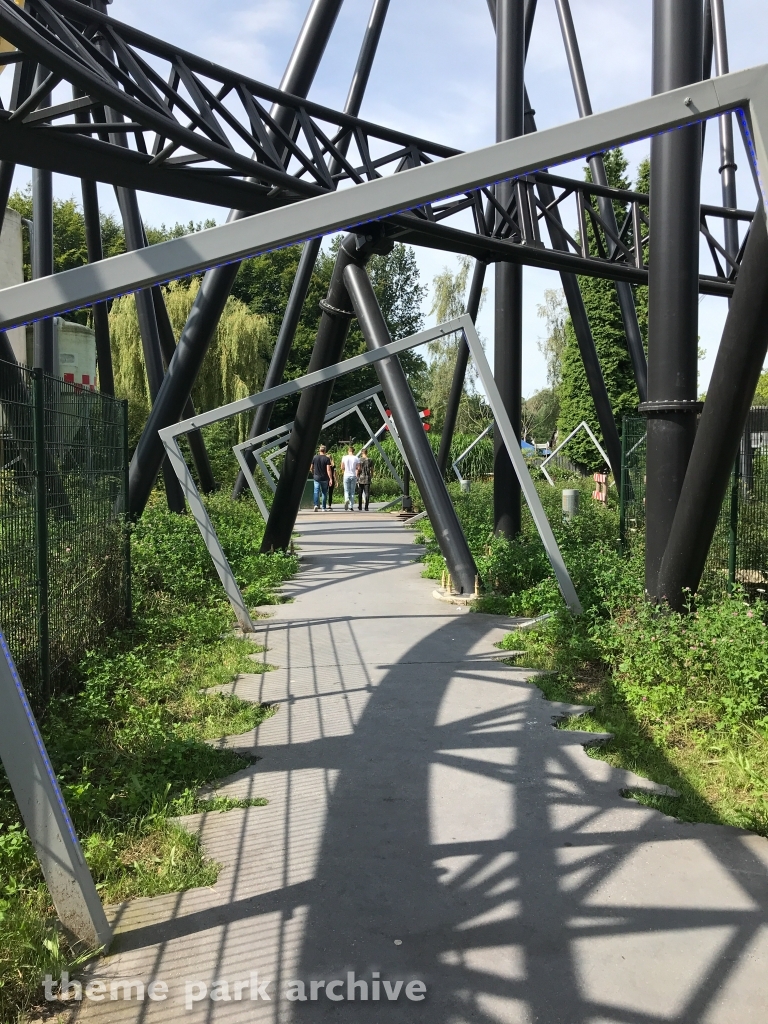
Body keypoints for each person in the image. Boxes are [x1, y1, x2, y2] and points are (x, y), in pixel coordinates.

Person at [310, 444, 332, 511]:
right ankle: (323, 507)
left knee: (316, 492)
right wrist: (330, 478)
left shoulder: (315, 457)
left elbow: (311, 467)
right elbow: (328, 470)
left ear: (319, 450)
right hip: (324, 478)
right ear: (325, 450)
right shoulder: (327, 459)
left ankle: (316, 505)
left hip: (316, 477)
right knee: (324, 492)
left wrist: (313, 473)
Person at [341, 445, 360, 511]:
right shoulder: (356, 458)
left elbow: (342, 467)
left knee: (346, 490)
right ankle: (351, 506)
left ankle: (346, 499)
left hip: (346, 475)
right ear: (353, 451)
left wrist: (346, 468)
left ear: (348, 451)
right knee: (352, 491)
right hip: (353, 475)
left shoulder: (344, 457)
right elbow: (358, 468)